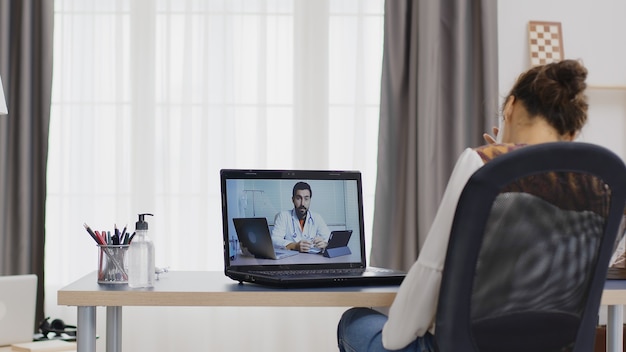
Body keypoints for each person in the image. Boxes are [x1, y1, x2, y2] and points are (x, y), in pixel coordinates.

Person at [337, 59, 590, 352]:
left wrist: (491, 156)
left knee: (353, 321)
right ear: (570, 133)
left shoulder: (482, 163)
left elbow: (432, 269)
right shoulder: (595, 183)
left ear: (509, 107)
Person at [271, 181, 331, 252]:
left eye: (306, 199)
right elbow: (274, 240)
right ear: (293, 200)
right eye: (298, 198)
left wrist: (325, 244)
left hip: (313, 259)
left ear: (310, 200)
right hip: (291, 259)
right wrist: (295, 246)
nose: (302, 203)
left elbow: (329, 238)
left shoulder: (317, 217)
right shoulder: (283, 216)